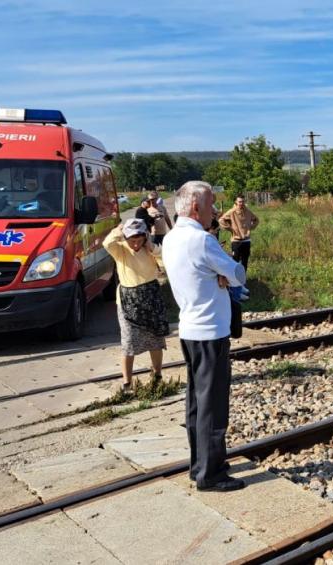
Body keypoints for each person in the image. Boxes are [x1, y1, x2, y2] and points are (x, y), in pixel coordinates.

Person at [163, 180, 247, 492]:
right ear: (197, 207)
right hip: (210, 330)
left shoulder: (171, 238)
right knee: (213, 405)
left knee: (196, 402)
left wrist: (218, 276)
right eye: (212, 204)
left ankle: (198, 464)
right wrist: (225, 275)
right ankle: (211, 474)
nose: (215, 210)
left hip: (189, 329)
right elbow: (238, 273)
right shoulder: (202, 240)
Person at [103, 219, 169, 393]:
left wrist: (151, 247)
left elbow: (165, 260)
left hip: (150, 296)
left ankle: (157, 376)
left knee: (155, 339)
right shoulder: (121, 250)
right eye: (132, 240)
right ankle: (127, 383)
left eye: (139, 240)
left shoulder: (149, 249)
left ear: (145, 237)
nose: (135, 244)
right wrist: (119, 230)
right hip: (128, 299)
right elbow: (107, 243)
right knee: (129, 341)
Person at [219, 195, 259, 270]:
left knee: (245, 262)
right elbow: (221, 220)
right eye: (240, 201)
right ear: (236, 202)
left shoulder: (248, 211)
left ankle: (243, 280)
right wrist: (230, 229)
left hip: (246, 240)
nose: (241, 203)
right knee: (235, 261)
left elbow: (256, 220)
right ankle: (234, 281)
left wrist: (250, 228)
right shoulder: (232, 211)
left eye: (243, 201)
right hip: (236, 241)